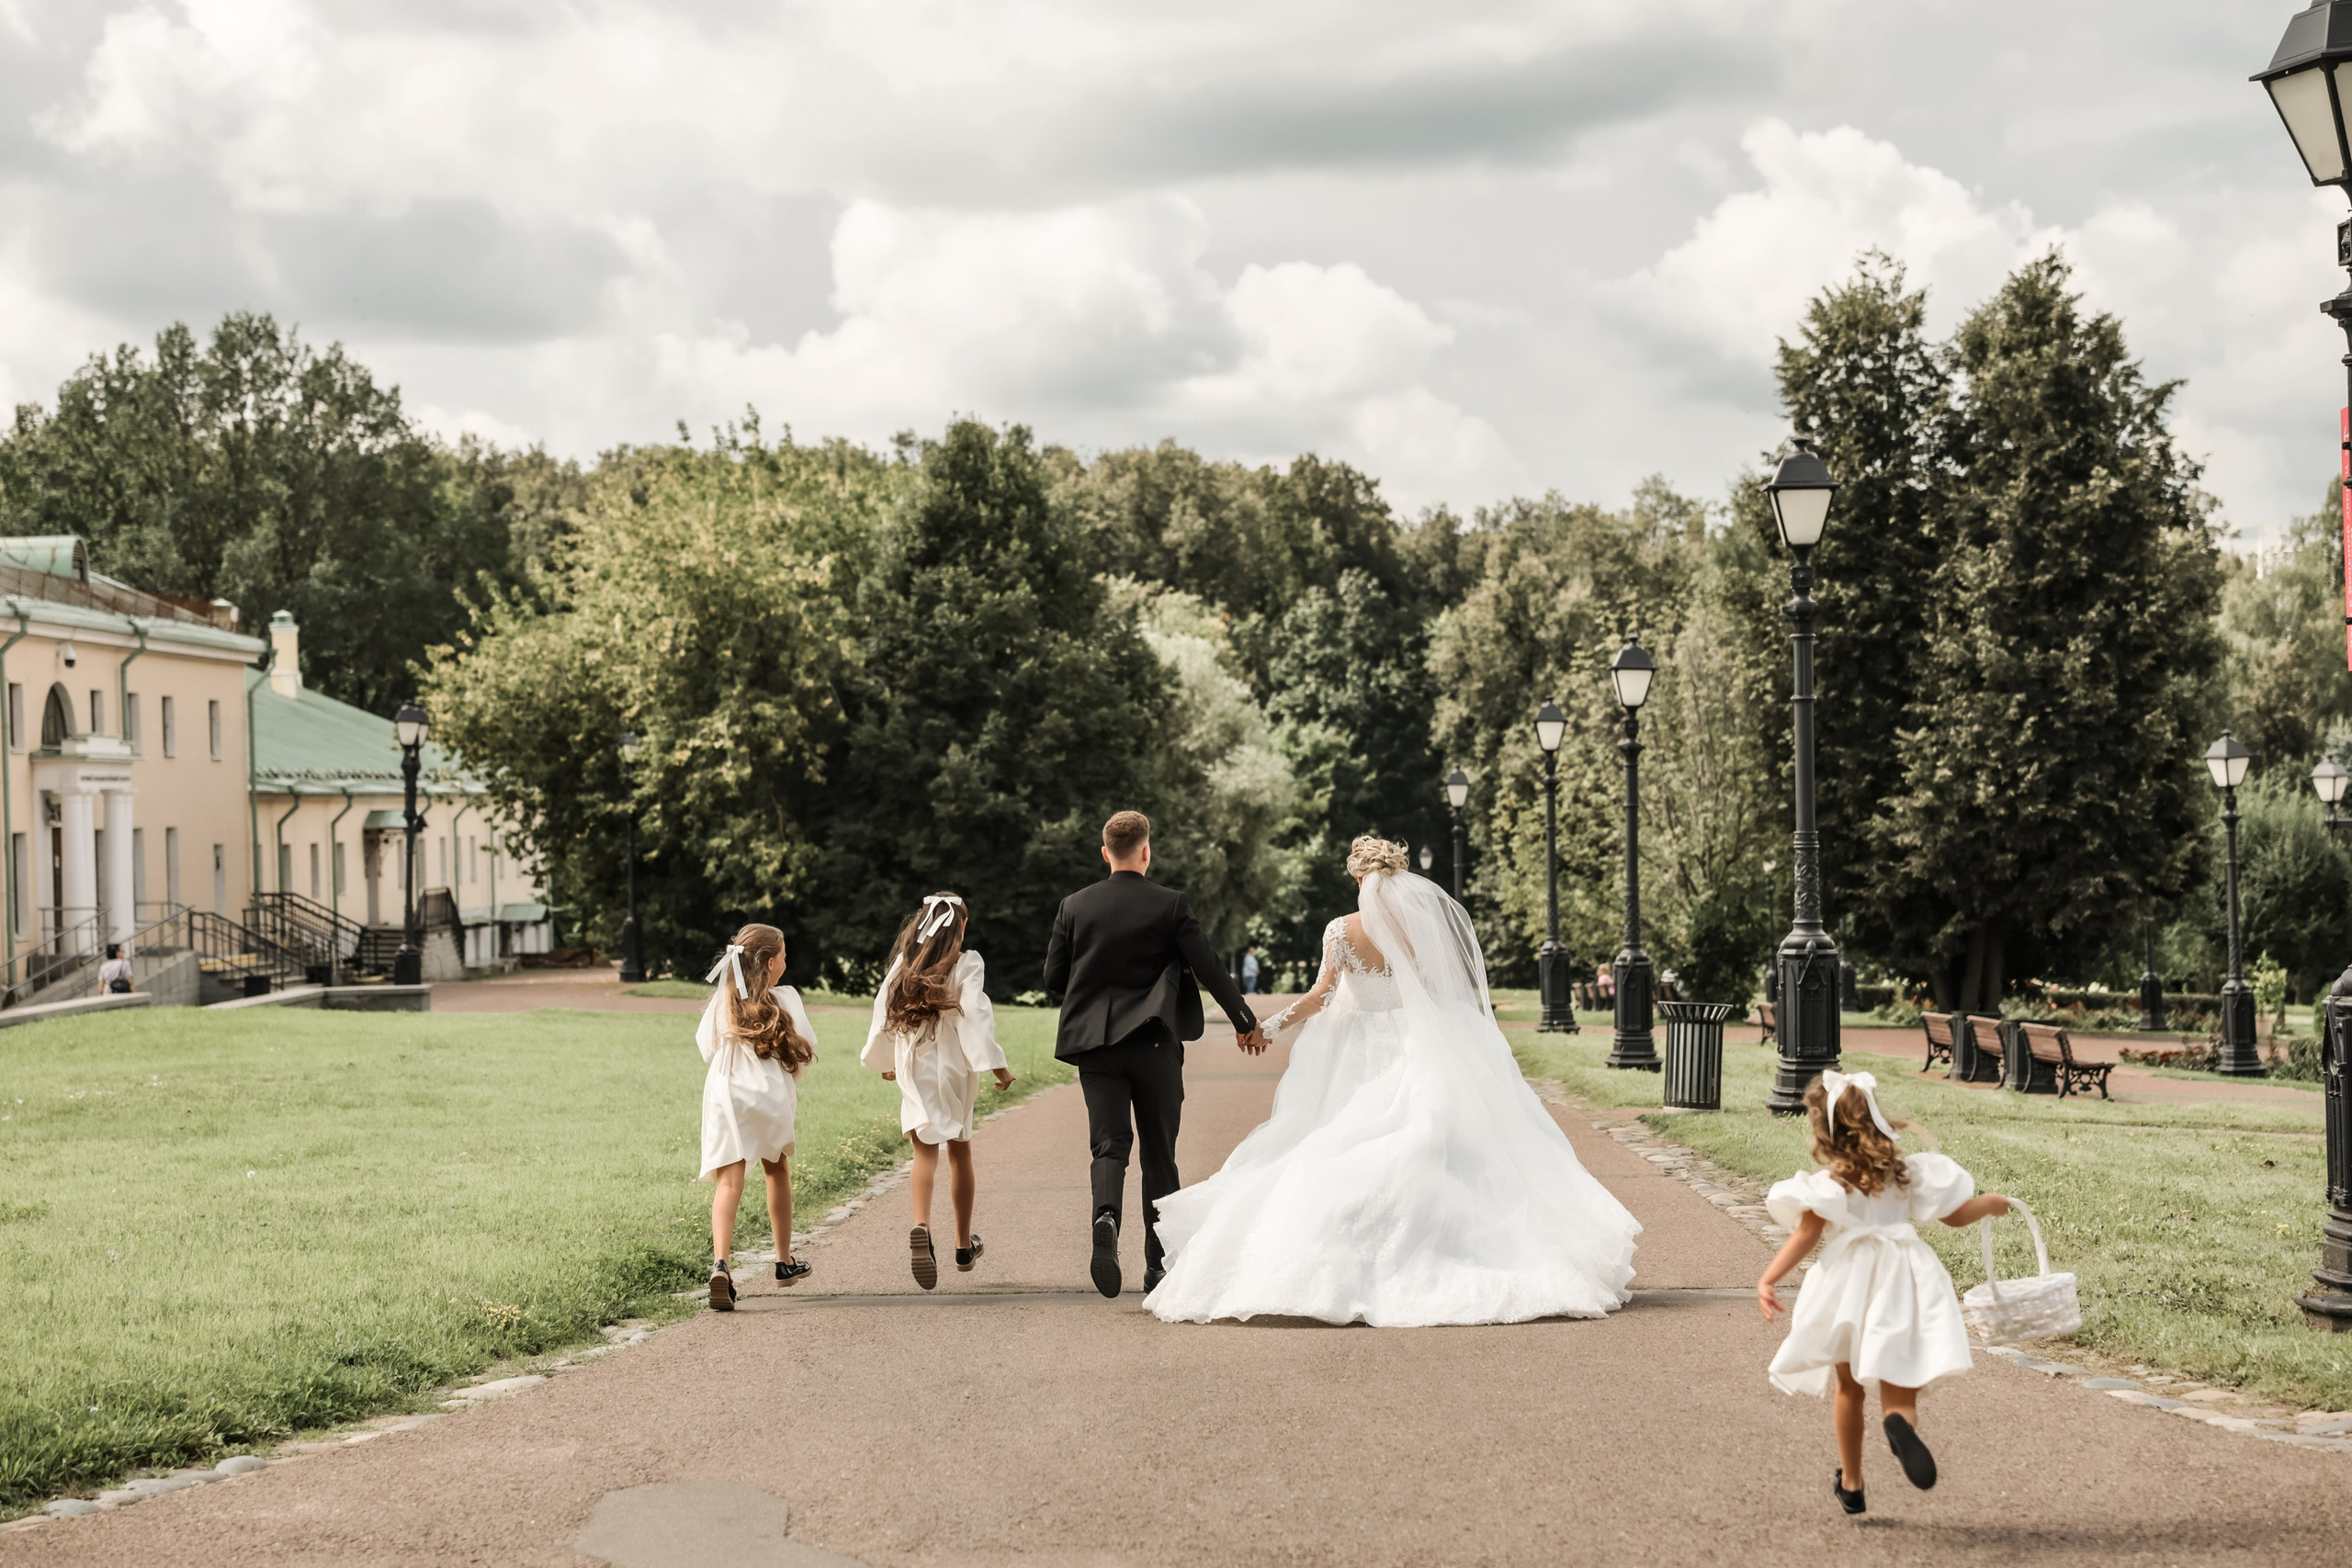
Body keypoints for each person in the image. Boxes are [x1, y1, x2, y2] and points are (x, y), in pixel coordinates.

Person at [1146, 836, 1641, 1327]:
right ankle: (1456, 1239)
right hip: (1417, 1040)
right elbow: (1434, 989)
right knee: (1436, 1137)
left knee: (1335, 1139)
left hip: (1357, 1047)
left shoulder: (1341, 930)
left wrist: (1265, 1027)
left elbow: (1322, 994)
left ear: (1360, 879)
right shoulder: (1420, 927)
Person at [1755, 1070, 2013, 1515]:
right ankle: (1898, 1421)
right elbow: (1953, 1216)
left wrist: (1768, 1278)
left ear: (1824, 1129)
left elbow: (1805, 1236)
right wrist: (1992, 1203)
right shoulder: (1904, 1172)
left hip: (1848, 1282)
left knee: (1848, 1387)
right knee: (1899, 1379)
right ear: (1876, 1118)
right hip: (1901, 1275)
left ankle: (1852, 1483)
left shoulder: (1831, 1184)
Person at [1042, 809, 1263, 1298]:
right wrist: (1245, 1022)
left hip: (1096, 1047)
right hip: (1154, 1043)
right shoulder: (1171, 904)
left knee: (1109, 1144)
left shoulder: (1074, 906)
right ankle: (1157, 1267)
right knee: (1160, 1154)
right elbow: (1209, 966)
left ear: (1106, 853)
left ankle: (1105, 1214)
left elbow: (1054, 979)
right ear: (1146, 850)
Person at [862, 892, 1015, 1290]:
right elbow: (975, 1018)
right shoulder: (967, 963)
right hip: (952, 1066)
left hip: (913, 1063)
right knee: (960, 1148)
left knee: (923, 1149)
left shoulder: (904, 965)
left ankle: (921, 1225)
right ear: (961, 927)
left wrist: (887, 1060)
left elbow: (883, 1012)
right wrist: (998, 1065)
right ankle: (963, 1246)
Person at [695, 922, 818, 1311]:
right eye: (784, 955)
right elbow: (807, 1045)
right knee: (775, 1168)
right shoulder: (786, 998)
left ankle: (721, 1264)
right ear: (768, 963)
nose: (787, 961)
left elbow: (705, 1047)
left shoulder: (724, 1001)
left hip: (727, 1093)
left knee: (729, 1182)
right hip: (768, 1093)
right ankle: (784, 1261)